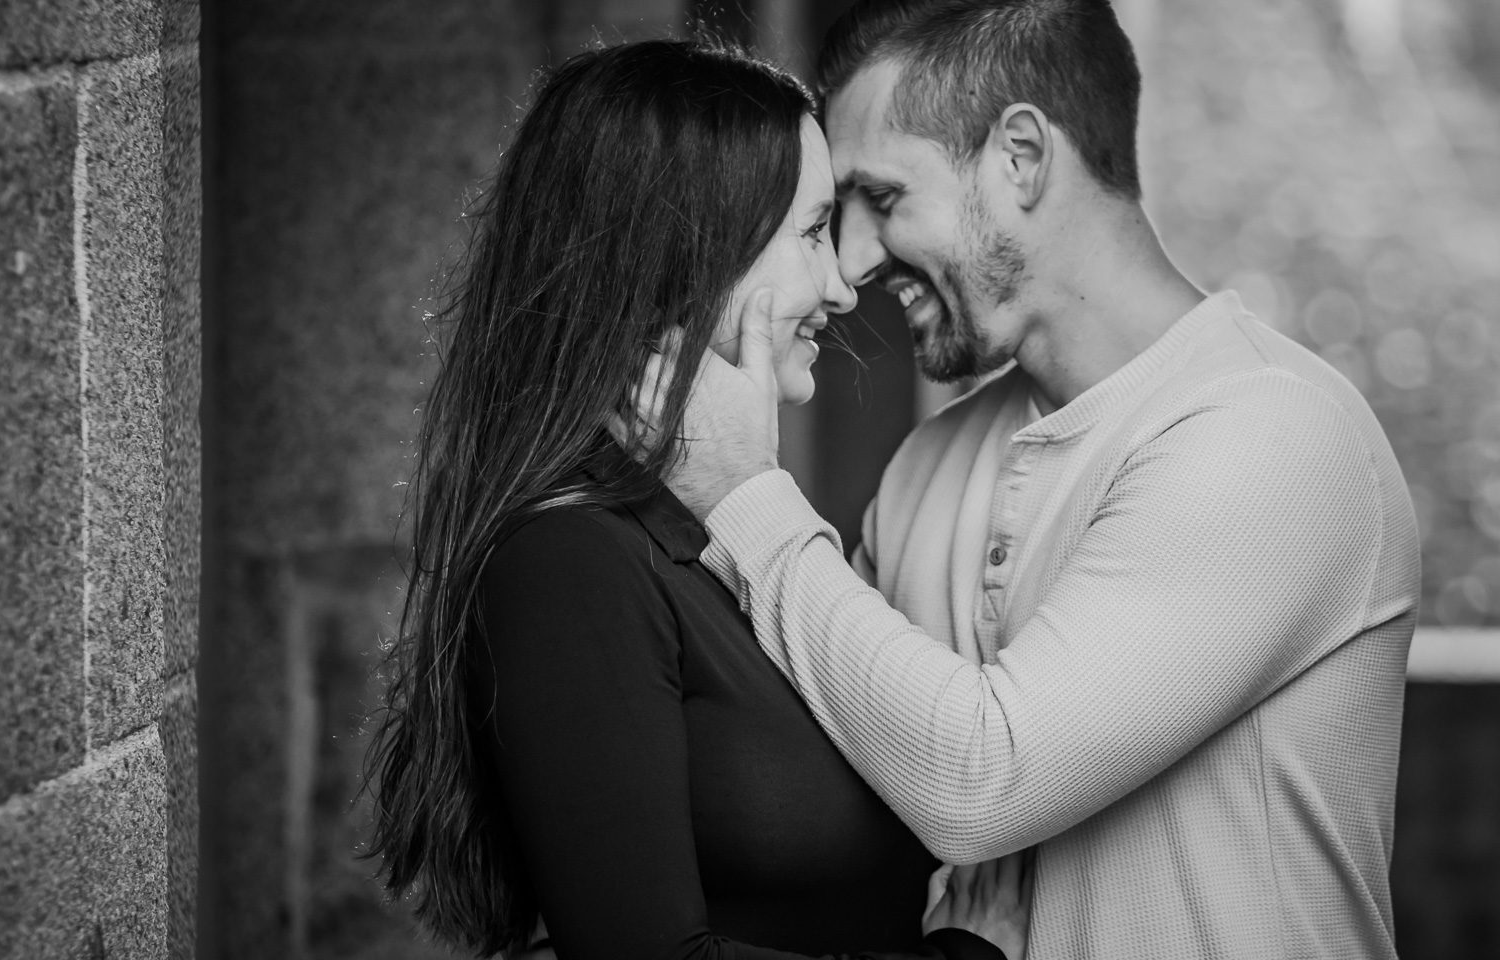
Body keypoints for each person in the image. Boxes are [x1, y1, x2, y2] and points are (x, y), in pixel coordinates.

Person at [641, 2, 1424, 958]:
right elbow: (816, 789)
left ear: (1019, 156)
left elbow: (981, 783)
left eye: (882, 199)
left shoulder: (1275, 434)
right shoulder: (929, 462)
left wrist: (739, 490)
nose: (850, 262)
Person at [361, 39, 1029, 960]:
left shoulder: (728, 532)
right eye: (811, 231)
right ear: (689, 254)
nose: (841, 286)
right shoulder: (570, 564)